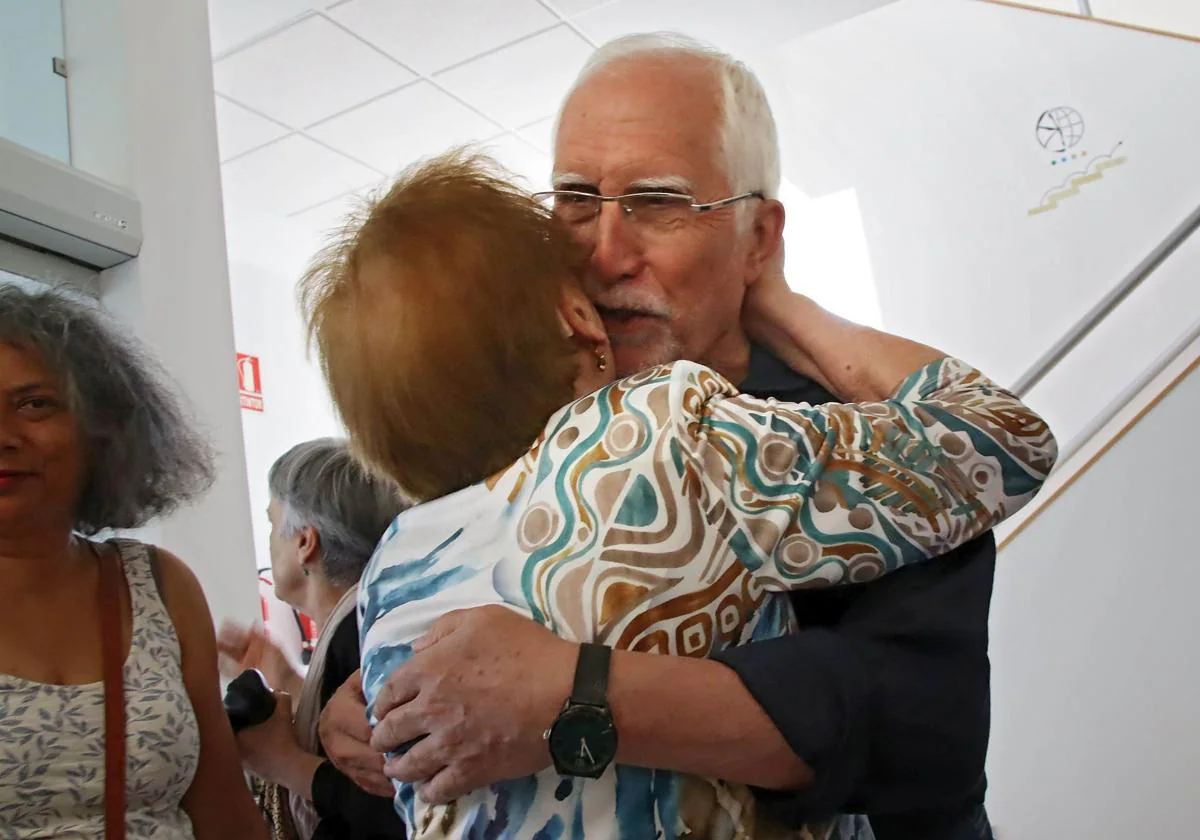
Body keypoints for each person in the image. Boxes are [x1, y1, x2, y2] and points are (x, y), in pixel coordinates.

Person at [318, 33, 1017, 840]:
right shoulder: (505, 430)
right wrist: (370, 709)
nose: (607, 252)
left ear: (759, 236)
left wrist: (575, 694)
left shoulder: (854, 433)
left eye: (657, 203)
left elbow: (927, 731)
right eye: (577, 199)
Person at [0, 284, 268, 839]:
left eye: (34, 404)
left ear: (102, 431)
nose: (3, 436)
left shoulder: (157, 585)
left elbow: (224, 813)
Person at [217, 438, 407, 840]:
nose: (271, 540)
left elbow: (389, 802)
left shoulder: (360, 635)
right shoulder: (365, 621)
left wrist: (281, 761)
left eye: (273, 524)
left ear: (305, 542)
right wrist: (285, 680)